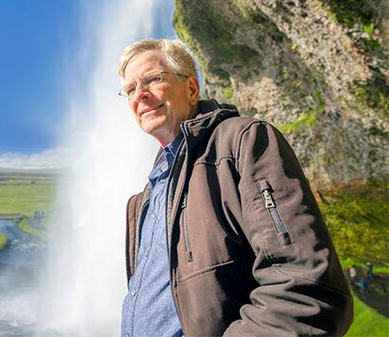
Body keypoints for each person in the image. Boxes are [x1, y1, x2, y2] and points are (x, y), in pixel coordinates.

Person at [119, 39, 353, 337]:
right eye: (129, 90)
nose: (140, 95)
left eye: (153, 79)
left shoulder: (242, 143)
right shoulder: (147, 197)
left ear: (192, 89)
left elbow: (305, 290)